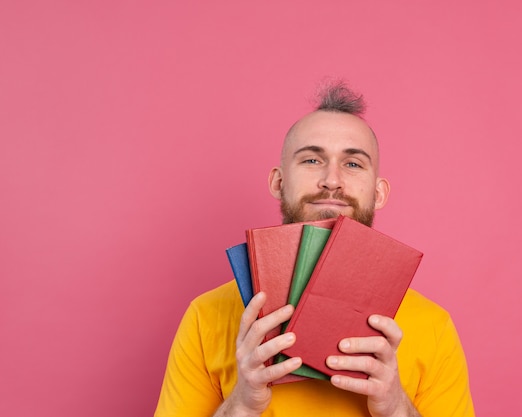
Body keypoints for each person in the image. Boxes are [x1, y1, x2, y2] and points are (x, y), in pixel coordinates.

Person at [154, 81, 475, 417]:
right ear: (278, 183)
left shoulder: (433, 326)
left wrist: (396, 407)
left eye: (353, 164)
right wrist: (242, 404)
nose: (332, 181)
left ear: (378, 193)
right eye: (311, 160)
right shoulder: (206, 316)